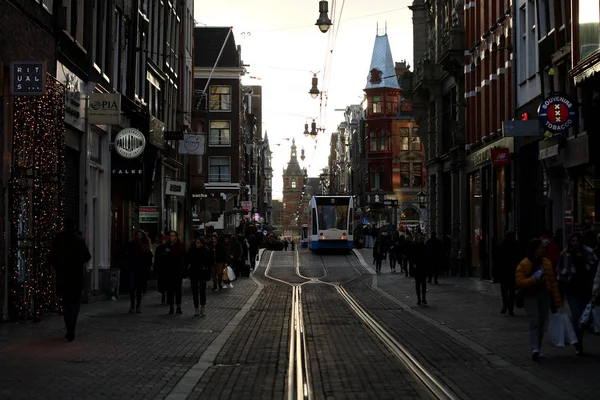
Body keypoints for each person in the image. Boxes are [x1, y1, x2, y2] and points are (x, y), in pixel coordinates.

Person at [516, 238, 561, 361]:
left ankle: (538, 348)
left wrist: (556, 299)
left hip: (544, 295)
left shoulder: (546, 262)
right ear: (535, 249)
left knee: (541, 322)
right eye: (541, 248)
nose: (543, 250)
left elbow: (552, 281)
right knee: (534, 321)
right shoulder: (525, 263)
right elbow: (519, 281)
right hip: (530, 296)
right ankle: (535, 348)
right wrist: (533, 280)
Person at [48, 218, 91, 342]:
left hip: (63, 277)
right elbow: (87, 256)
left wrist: (58, 267)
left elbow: (51, 257)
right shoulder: (80, 240)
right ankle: (72, 327)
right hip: (76, 277)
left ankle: (69, 328)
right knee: (75, 303)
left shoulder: (59, 240)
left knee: (66, 304)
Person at [557, 233, 598, 355]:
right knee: (576, 315)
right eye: (573, 241)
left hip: (585, 289)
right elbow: (561, 272)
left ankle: (579, 338)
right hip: (572, 289)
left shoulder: (588, 253)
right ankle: (578, 344)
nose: (575, 243)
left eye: (577, 241)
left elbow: (595, 266)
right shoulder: (566, 255)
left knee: (583, 317)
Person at [126, 230, 153, 313]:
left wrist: (147, 267)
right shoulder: (131, 244)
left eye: (140, 235)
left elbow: (149, 257)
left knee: (139, 288)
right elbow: (127, 255)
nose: (138, 237)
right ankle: (132, 306)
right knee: (132, 287)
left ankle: (138, 306)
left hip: (141, 269)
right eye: (137, 235)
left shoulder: (145, 246)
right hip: (133, 268)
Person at [495, 231, 522, 315]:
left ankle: (505, 305)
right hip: (513, 271)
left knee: (504, 290)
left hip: (503, 271)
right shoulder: (516, 245)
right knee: (512, 290)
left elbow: (497, 259)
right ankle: (510, 308)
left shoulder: (501, 245)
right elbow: (519, 258)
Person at [186, 237, 208, 316]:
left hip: (202, 273)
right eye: (196, 242)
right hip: (194, 273)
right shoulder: (192, 251)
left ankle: (202, 307)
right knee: (194, 291)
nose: (197, 244)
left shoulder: (205, 251)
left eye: (199, 242)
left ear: (202, 243)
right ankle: (196, 308)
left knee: (202, 290)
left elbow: (207, 262)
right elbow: (187, 260)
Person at [166, 231, 186, 314]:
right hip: (169, 270)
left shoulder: (180, 246)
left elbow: (179, 255)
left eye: (173, 236)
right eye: (170, 235)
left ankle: (178, 306)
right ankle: (171, 306)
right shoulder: (167, 245)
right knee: (170, 289)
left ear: (176, 237)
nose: (171, 237)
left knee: (178, 289)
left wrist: (170, 251)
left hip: (178, 270)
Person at [411, 235, 429, 305]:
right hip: (420, 268)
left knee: (421, 284)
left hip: (421, 267)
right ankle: (420, 299)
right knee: (420, 284)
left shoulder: (417, 247)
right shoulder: (423, 247)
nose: (419, 240)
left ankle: (422, 299)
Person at [154, 235, 170, 304]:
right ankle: (163, 294)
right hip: (161, 268)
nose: (163, 241)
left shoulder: (169, 247)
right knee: (162, 283)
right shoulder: (159, 248)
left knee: (167, 283)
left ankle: (166, 295)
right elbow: (156, 258)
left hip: (167, 268)